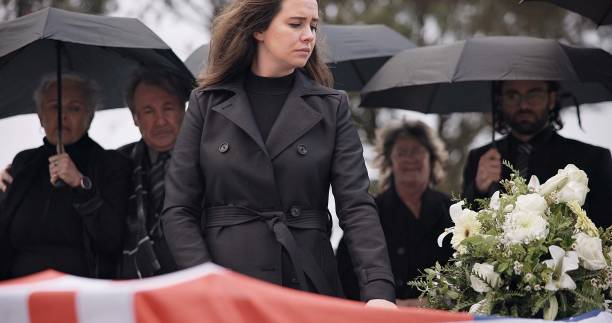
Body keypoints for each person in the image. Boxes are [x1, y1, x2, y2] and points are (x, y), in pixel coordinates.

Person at [162, 0, 396, 306]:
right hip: (225, 288)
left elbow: (356, 207)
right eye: (296, 24)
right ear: (258, 28)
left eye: (312, 26)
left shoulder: (331, 106)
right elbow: (178, 210)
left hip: (307, 282)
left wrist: (378, 290)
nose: (309, 36)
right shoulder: (206, 104)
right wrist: (204, 280)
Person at [0, 73, 131, 279]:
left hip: (81, 296)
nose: (63, 115)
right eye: (54, 107)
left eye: (75, 108)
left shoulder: (111, 165)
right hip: (19, 294)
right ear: (41, 116)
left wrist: (80, 184)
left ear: (90, 116)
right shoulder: (23, 164)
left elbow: (111, 239)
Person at [463, 80, 612, 227]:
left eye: (534, 95)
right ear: (500, 101)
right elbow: (463, 230)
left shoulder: (592, 158)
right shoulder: (480, 159)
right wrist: (478, 189)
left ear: (551, 99)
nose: (523, 105)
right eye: (512, 96)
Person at [336, 120, 454, 305]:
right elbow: (346, 272)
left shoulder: (452, 210)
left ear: (431, 159)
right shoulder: (369, 212)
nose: (409, 159)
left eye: (416, 151)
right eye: (401, 153)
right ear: (389, 161)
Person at [118, 70, 188, 278]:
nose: (160, 121)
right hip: (141, 283)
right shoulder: (119, 163)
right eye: (148, 111)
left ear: (184, 110)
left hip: (201, 278)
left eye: (168, 108)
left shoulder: (212, 156)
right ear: (135, 118)